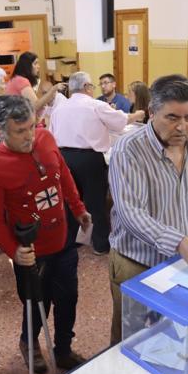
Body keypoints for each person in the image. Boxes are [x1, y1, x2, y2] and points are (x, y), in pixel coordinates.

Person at [107, 75, 188, 344]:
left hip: (183, 261)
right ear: (152, 112)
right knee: (132, 339)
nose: (182, 127)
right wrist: (178, 242)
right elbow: (131, 213)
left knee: (171, 335)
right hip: (137, 263)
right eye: (172, 117)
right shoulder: (129, 150)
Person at [0, 95, 92, 373]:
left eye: (32, 126)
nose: (30, 136)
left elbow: (63, 174)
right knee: (36, 302)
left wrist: (78, 208)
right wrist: (13, 251)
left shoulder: (45, 138)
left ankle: (64, 348)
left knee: (68, 298)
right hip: (31, 252)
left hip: (63, 239)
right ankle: (28, 343)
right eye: (20, 131)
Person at [49, 72, 143, 255]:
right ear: (86, 87)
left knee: (70, 200)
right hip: (89, 158)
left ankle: (72, 240)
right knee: (95, 202)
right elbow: (120, 120)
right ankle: (100, 244)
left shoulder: (60, 108)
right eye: (92, 86)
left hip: (63, 158)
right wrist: (138, 114)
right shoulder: (95, 105)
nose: (93, 90)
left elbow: (52, 134)